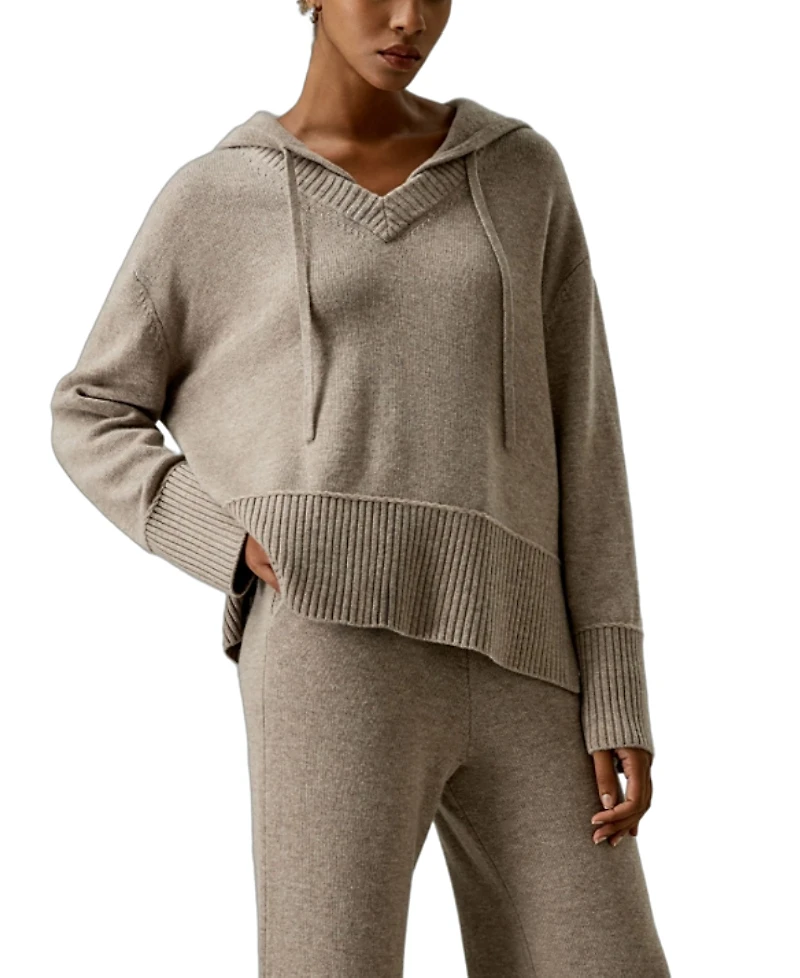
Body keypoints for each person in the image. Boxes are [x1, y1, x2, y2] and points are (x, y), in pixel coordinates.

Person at [50, 0, 671, 974]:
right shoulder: (216, 197)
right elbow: (90, 407)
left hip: (524, 649)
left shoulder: (519, 174)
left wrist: (616, 686)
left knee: (604, 958)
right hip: (328, 646)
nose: (408, 17)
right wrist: (228, 544)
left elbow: (584, 442)